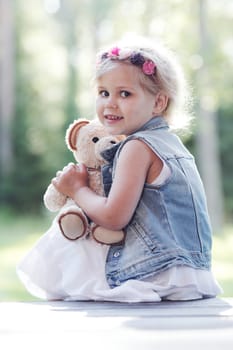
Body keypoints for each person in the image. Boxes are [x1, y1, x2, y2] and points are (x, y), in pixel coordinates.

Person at [17, 37, 222, 302]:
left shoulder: (137, 147)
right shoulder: (173, 145)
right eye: (104, 93)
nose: (110, 103)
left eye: (124, 93)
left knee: (73, 237)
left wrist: (77, 189)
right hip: (193, 272)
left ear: (159, 103)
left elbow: (113, 217)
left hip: (157, 271)